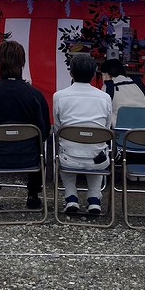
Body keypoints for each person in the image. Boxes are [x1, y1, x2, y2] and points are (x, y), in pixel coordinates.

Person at [0, 40, 51, 210]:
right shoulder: (35, 95)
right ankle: (33, 195)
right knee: (39, 147)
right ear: (22, 62)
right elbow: (44, 132)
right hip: (29, 157)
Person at [53, 54, 113, 216]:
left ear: (71, 73)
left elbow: (59, 129)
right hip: (98, 159)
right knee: (97, 151)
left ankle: (71, 198)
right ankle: (94, 199)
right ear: (94, 74)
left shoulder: (59, 96)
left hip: (68, 158)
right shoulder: (105, 98)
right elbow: (106, 129)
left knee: (66, 149)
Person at [100, 58, 145, 126]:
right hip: (143, 129)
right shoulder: (139, 85)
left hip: (120, 131)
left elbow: (102, 112)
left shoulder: (108, 87)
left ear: (107, 74)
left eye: (102, 75)